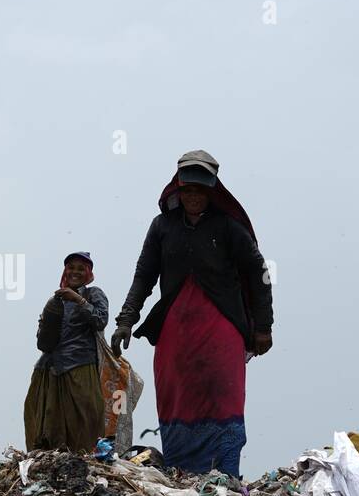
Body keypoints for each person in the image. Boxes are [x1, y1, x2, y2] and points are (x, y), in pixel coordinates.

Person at [111, 151, 273, 476]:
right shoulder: (162, 227)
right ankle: (181, 477)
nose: (194, 197)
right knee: (177, 401)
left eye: (200, 191)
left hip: (221, 331)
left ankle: (225, 478)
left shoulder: (228, 228)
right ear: (178, 189)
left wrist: (263, 327)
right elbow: (144, 275)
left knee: (223, 401)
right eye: (188, 191)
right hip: (175, 335)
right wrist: (126, 320)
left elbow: (258, 274)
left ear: (212, 192)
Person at [24, 252, 109, 452]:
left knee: (84, 421)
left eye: (81, 268)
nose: (75, 272)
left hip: (80, 368)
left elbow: (100, 321)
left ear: (88, 273)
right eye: (71, 267)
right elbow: (43, 344)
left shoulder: (93, 294)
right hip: (48, 370)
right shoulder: (56, 300)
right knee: (44, 425)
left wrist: (79, 300)